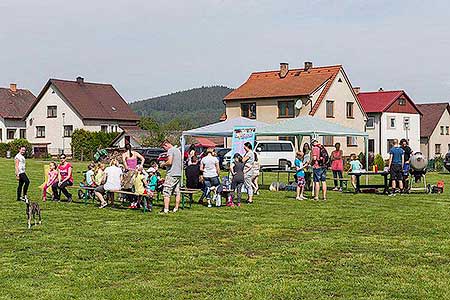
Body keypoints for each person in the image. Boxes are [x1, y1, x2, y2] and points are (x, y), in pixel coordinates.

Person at [160, 140, 182, 214]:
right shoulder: (178, 150)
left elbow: (170, 162)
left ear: (166, 144)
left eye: (164, 148)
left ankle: (166, 209)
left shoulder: (170, 150)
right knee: (177, 192)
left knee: (166, 192)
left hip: (172, 173)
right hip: (178, 173)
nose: (164, 150)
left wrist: (163, 164)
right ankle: (176, 208)